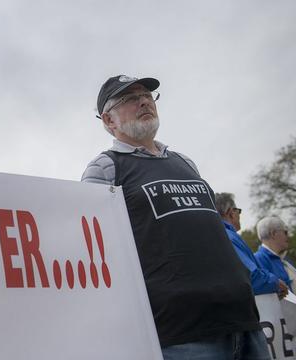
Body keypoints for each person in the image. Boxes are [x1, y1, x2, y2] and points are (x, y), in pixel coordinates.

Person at [82, 75, 269, 359]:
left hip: (244, 318)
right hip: (182, 335)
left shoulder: (184, 162)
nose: (144, 100)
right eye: (130, 98)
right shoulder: (106, 168)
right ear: (108, 121)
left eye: (147, 95)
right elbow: (96, 248)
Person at [214, 193, 288, 298]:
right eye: (238, 211)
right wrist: (276, 283)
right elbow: (250, 276)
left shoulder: (219, 235)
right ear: (231, 213)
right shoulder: (228, 237)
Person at [255, 216, 294, 291]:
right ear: (273, 234)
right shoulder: (259, 259)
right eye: (285, 232)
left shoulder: (284, 259)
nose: (288, 236)